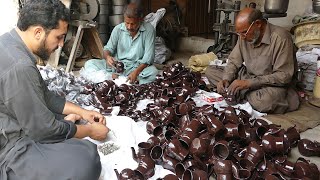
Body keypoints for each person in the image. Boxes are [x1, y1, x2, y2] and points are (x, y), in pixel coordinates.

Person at [0, 0, 109, 179]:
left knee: (62, 122)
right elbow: (43, 131)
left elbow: (45, 96)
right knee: (86, 158)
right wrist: (89, 131)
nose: (60, 45)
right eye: (58, 37)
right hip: (8, 147)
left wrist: (83, 112)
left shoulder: (9, 42)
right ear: (38, 32)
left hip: (14, 118)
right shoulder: (20, 66)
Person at [206, 8, 300, 114]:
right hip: (249, 77)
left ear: (258, 24)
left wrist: (248, 84)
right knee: (211, 71)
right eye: (239, 34)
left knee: (264, 101)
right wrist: (226, 80)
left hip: (271, 85)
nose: (241, 37)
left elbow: (283, 76)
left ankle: (241, 93)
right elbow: (233, 61)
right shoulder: (244, 37)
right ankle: (240, 92)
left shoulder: (281, 38)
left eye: (244, 32)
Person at [85, 2, 159, 84]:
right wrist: (108, 57)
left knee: (154, 72)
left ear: (140, 20)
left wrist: (136, 72)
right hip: (117, 66)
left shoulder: (149, 30)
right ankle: (117, 79)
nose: (129, 27)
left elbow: (148, 58)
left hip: (136, 66)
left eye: (133, 24)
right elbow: (108, 49)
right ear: (124, 19)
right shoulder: (118, 29)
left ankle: (120, 81)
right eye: (127, 23)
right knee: (90, 64)